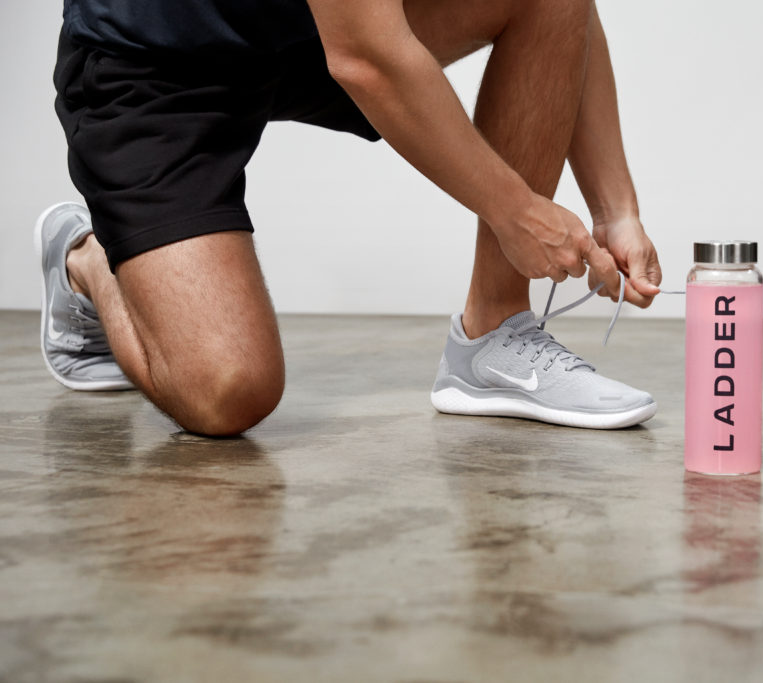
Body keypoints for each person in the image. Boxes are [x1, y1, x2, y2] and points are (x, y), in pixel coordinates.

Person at [39, 0, 663, 436]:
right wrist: (517, 212)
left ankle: (493, 336)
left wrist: (617, 212)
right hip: (155, 64)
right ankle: (90, 261)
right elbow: (366, 57)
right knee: (229, 393)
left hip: (300, 29)